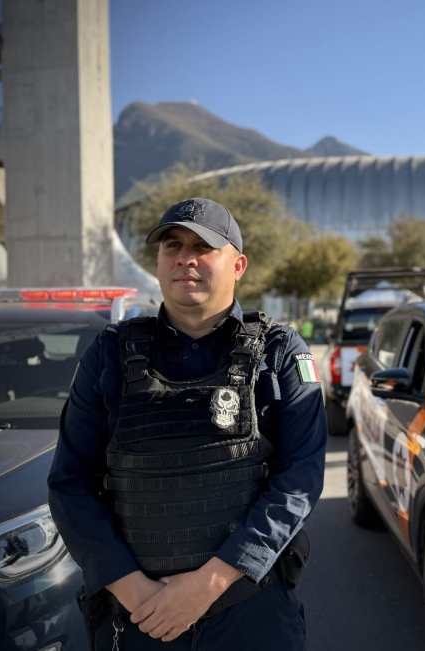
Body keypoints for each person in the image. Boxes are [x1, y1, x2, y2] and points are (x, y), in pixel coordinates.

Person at [48, 198, 327, 650]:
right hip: (139, 616)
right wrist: (136, 591)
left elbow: (299, 480)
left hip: (248, 613)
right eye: (172, 246)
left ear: (238, 266)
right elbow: (69, 483)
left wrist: (208, 585)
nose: (185, 258)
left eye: (203, 247)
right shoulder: (109, 353)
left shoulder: (279, 352)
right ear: (158, 262)